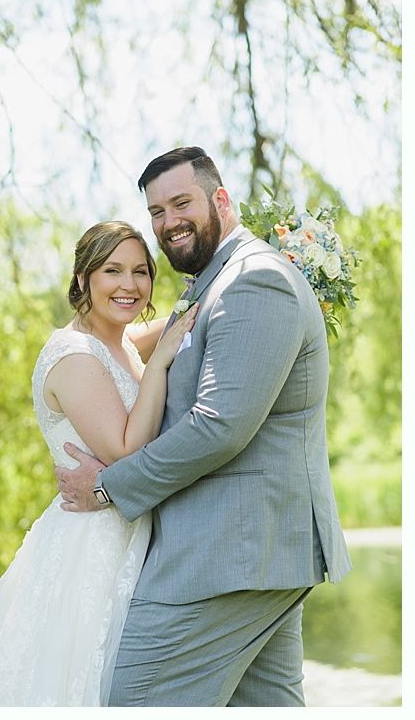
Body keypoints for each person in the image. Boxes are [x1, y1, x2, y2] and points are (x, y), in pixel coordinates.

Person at [57, 147, 352, 706]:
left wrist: (106, 487)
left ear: (221, 198)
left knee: (134, 703)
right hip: (251, 555)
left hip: (224, 556)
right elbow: (120, 348)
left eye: (180, 203)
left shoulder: (253, 281)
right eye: (156, 212)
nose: (168, 223)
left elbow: (218, 427)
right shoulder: (214, 283)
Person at [0, 221, 198, 706]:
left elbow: (146, 338)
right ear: (82, 279)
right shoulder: (72, 356)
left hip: (126, 530)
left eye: (141, 272)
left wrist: (205, 295)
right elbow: (122, 449)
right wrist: (161, 363)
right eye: (112, 270)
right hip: (90, 545)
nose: (130, 285)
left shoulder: (114, 339)